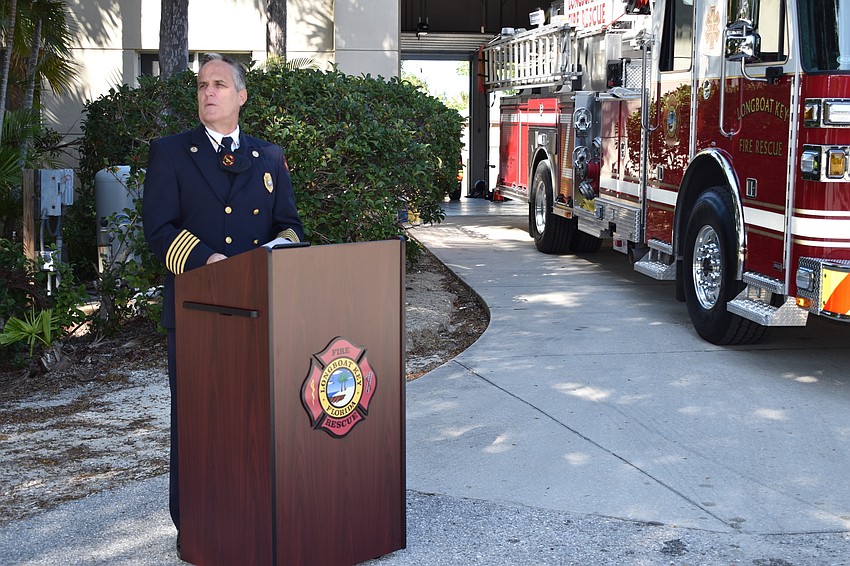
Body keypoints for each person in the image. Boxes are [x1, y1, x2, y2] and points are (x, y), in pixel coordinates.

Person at [142, 53, 304, 555]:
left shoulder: (269, 157)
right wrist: (208, 261)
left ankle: (250, 515)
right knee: (198, 422)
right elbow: (159, 229)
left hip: (259, 313)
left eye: (218, 84)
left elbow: (290, 225)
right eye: (201, 85)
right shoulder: (170, 153)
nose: (207, 92)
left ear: (241, 96)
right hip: (197, 314)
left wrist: (285, 252)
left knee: (255, 419)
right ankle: (193, 524)